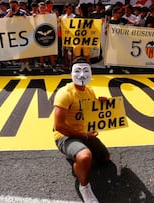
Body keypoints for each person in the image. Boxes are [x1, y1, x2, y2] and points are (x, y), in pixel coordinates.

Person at [53, 57, 110, 203]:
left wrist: (101, 103)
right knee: (85, 157)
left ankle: (77, 157)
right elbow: (59, 126)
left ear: (91, 73)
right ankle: (84, 186)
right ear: (70, 74)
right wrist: (83, 136)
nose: (82, 75)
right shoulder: (64, 93)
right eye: (77, 71)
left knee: (106, 158)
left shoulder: (90, 91)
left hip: (85, 134)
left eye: (86, 70)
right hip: (65, 136)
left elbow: (89, 110)